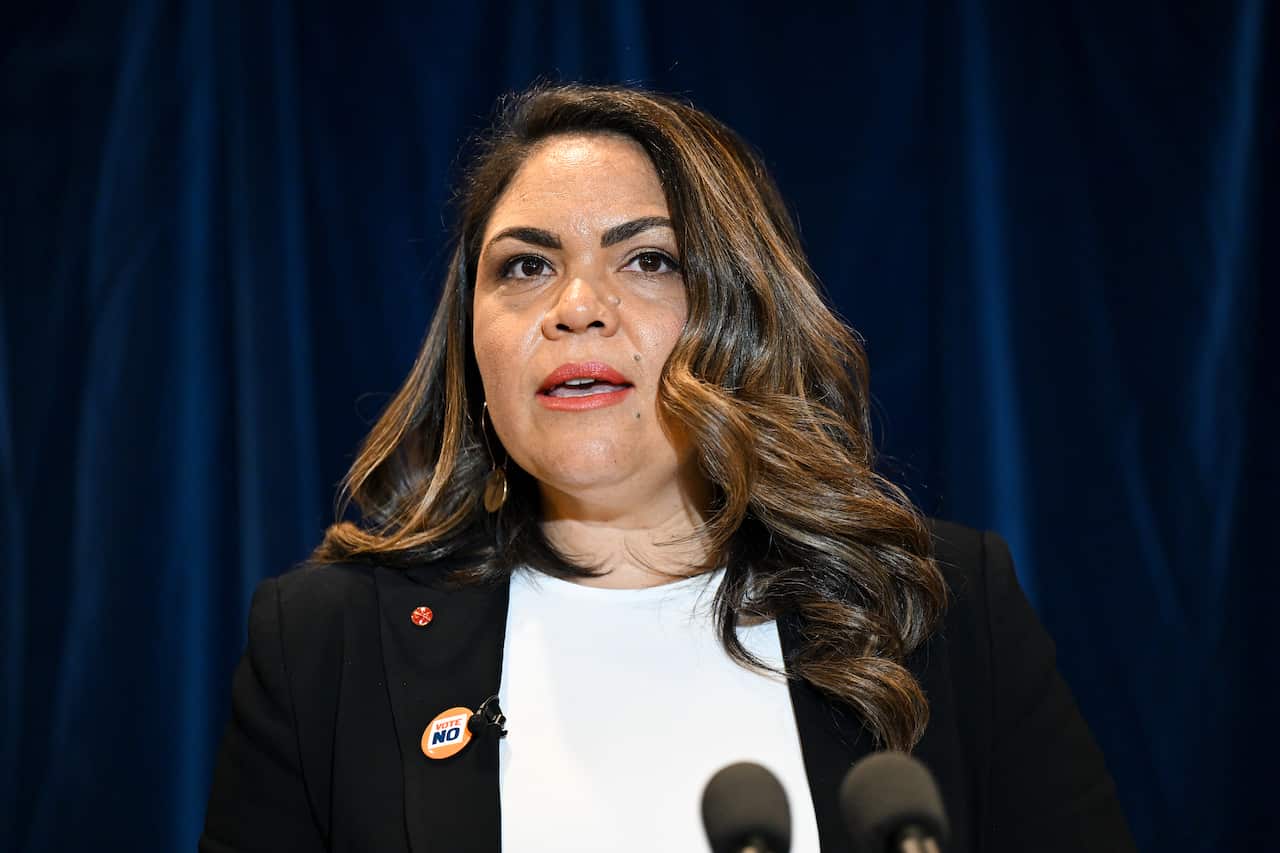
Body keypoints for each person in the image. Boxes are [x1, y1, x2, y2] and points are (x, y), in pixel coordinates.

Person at [200, 83, 1135, 853]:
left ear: (748, 323)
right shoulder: (325, 645)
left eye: (648, 259)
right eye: (524, 268)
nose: (576, 307)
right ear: (470, 350)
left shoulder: (937, 607)